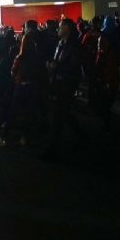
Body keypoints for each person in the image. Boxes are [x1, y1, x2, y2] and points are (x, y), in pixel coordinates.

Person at [42, 19, 88, 160]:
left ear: (67, 28)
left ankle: (52, 150)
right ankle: (81, 137)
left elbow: (73, 67)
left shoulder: (74, 45)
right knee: (65, 113)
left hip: (66, 84)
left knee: (57, 117)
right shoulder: (61, 43)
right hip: (59, 83)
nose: (58, 29)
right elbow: (58, 60)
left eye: (61, 26)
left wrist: (56, 67)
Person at [0, 30, 44, 147]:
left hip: (20, 87)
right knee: (29, 114)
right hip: (33, 87)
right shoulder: (38, 57)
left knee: (13, 113)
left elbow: (13, 72)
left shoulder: (20, 57)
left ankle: (4, 137)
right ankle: (25, 137)